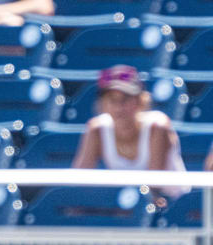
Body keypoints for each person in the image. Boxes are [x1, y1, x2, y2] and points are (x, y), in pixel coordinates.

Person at [72, 64, 190, 200]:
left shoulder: (158, 126)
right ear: (102, 103)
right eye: (112, 99)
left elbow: (155, 186)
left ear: (140, 100)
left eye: (125, 99)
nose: (118, 107)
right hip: (129, 208)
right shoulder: (96, 130)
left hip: (171, 205)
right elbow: (79, 181)